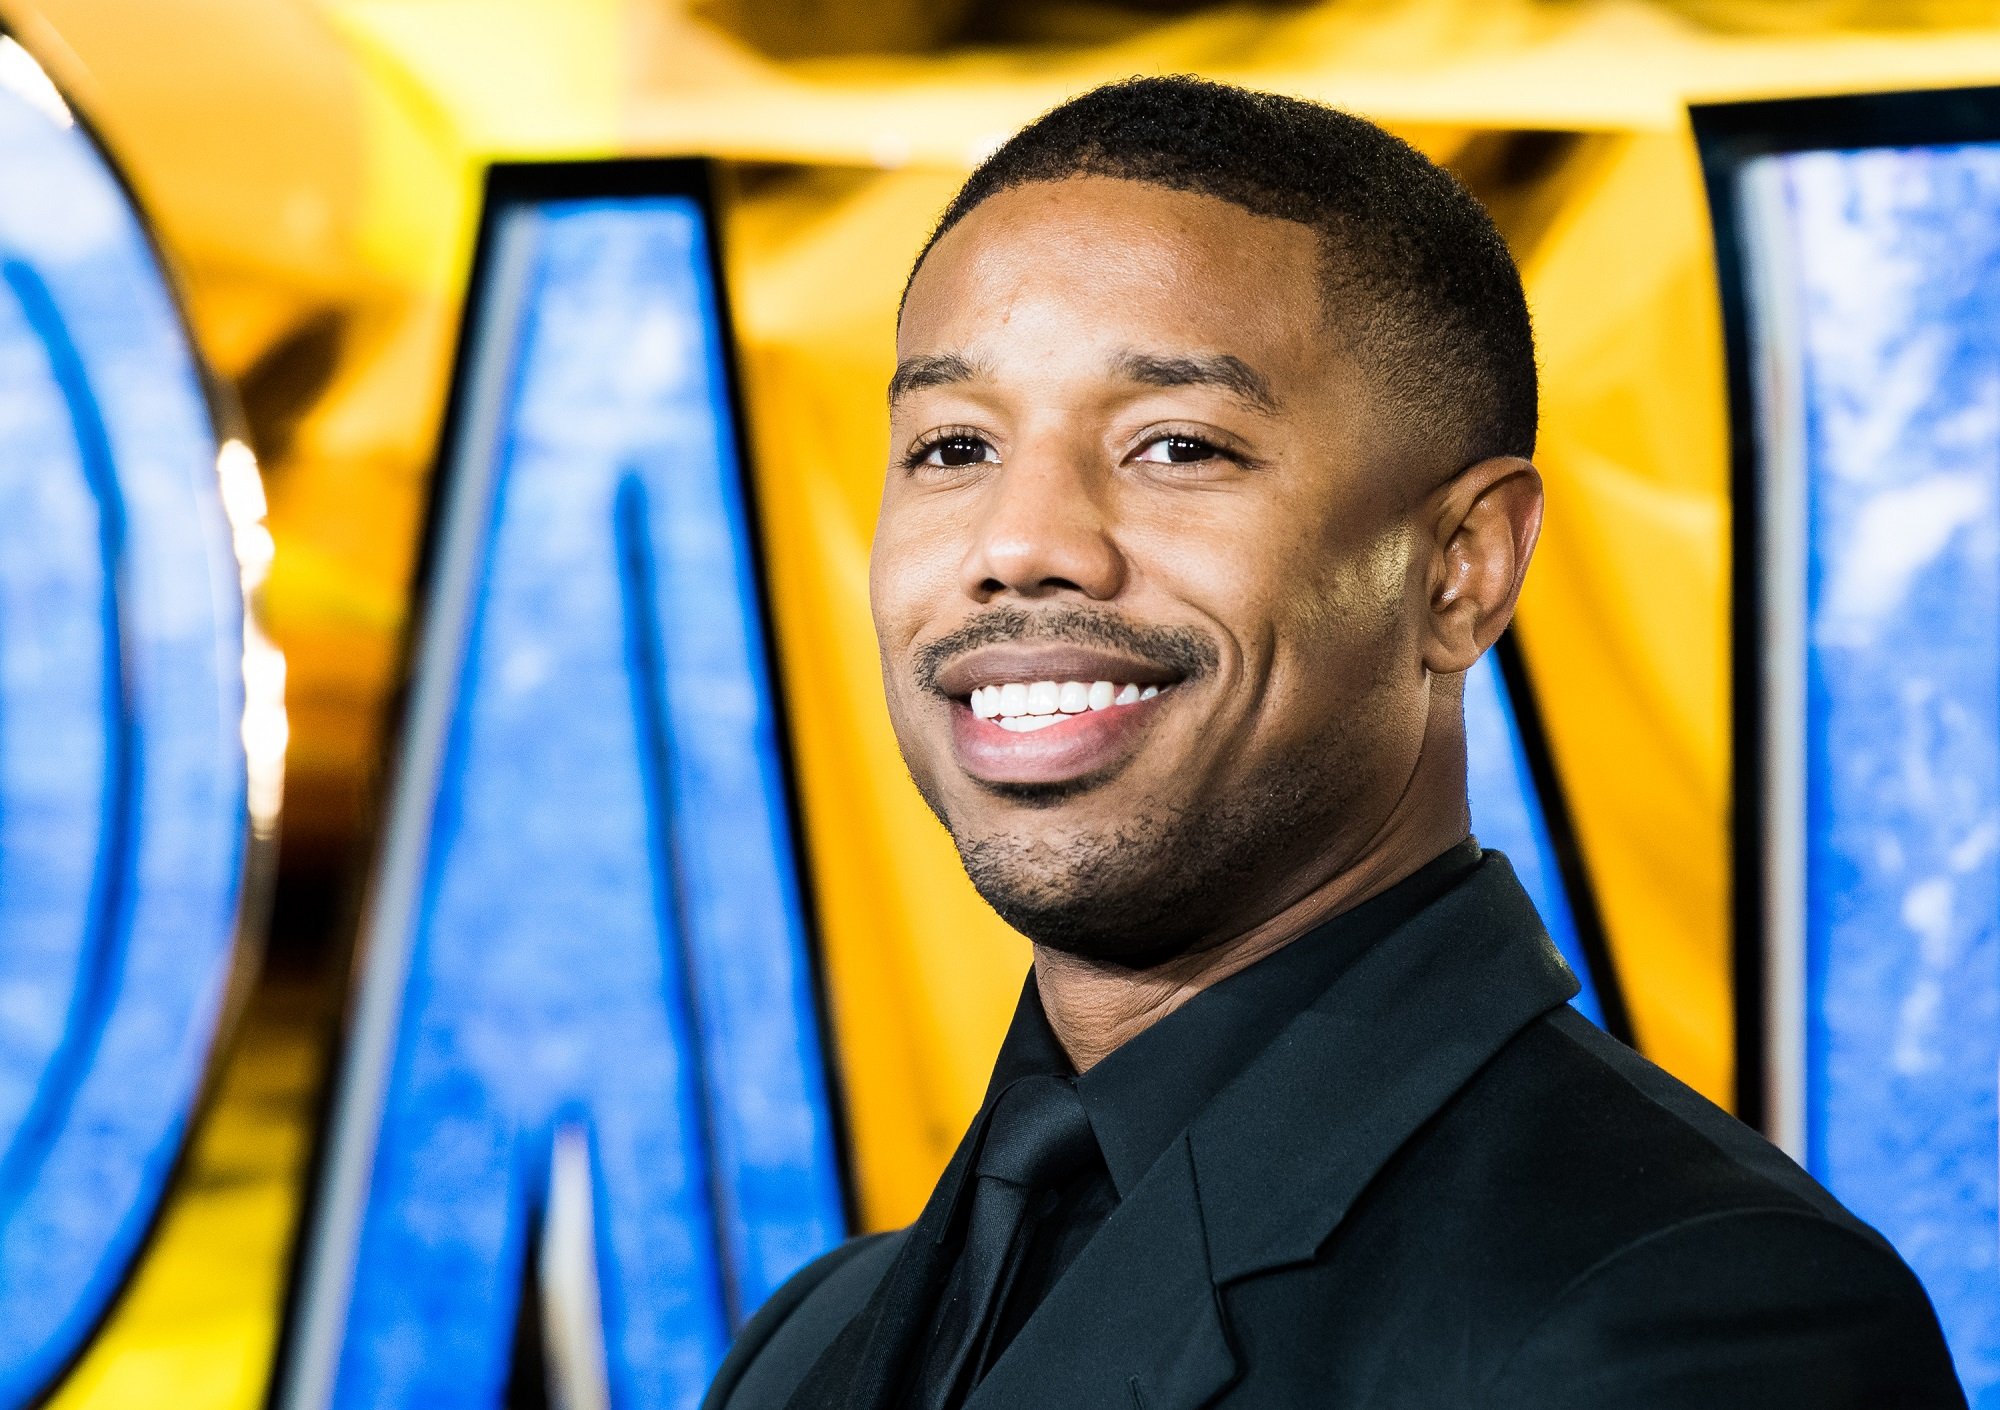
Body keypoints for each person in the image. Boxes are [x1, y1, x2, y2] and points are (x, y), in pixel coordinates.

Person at [703, 76, 1966, 1409]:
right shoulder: (807, 1345)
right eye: (953, 445)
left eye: (1175, 445)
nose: (1020, 545)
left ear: (1461, 570)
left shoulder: (1692, 1313)